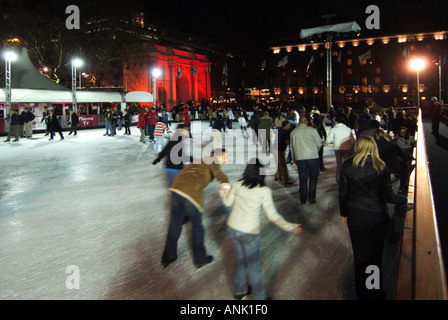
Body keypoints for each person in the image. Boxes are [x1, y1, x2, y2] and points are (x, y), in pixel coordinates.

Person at [220, 158, 302, 300]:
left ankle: (240, 291)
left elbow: (227, 203)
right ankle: (259, 298)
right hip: (249, 233)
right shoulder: (263, 191)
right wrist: (292, 228)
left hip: (233, 229)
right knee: (254, 267)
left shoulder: (238, 184)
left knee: (241, 259)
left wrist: (223, 190)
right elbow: (272, 216)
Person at [339, 136, 407, 300]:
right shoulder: (380, 166)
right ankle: (375, 292)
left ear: (358, 147)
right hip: (377, 216)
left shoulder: (347, 165)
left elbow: (343, 194)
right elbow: (388, 196)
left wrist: (344, 214)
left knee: (360, 257)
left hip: (357, 216)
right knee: (375, 256)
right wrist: (404, 199)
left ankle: (362, 294)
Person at [161, 149, 229, 269]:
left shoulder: (201, 161)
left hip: (177, 189)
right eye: (225, 157)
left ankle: (168, 256)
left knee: (175, 224)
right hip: (191, 193)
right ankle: (200, 259)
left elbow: (187, 170)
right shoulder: (212, 160)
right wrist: (225, 184)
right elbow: (218, 172)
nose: (226, 160)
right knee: (198, 228)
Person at [290, 116, 323, 205]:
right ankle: (312, 198)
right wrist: (315, 150)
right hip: (312, 156)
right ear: (306, 122)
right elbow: (319, 143)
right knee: (313, 177)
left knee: (303, 178)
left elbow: (292, 147)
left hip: (300, 157)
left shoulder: (293, 132)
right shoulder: (312, 130)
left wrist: (294, 158)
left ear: (299, 122)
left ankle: (303, 198)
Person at [325, 114, 356, 183]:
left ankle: (338, 178)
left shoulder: (334, 129)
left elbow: (328, 140)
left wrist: (325, 144)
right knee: (347, 163)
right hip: (347, 148)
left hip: (337, 148)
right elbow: (352, 140)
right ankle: (347, 177)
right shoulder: (348, 129)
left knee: (339, 164)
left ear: (336, 122)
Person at [274, 121, 293, 186]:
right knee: (283, 165)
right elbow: (281, 142)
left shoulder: (280, 130)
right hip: (278, 149)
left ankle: (277, 176)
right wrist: (282, 150)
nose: (289, 127)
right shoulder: (285, 132)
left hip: (275, 148)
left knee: (279, 164)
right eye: (288, 125)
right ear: (285, 126)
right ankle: (285, 180)